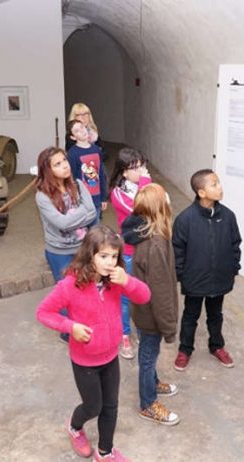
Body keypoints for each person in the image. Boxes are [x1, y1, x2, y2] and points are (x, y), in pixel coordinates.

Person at [36, 225, 151, 462]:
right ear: (90, 254)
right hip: (84, 360)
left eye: (114, 256)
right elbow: (44, 312)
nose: (110, 262)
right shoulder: (70, 284)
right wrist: (71, 327)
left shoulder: (116, 280)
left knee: (111, 406)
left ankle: (105, 452)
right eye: (103, 256)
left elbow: (144, 296)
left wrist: (127, 281)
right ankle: (75, 426)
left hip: (110, 355)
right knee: (93, 406)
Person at [122, 184, 181, 426]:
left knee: (150, 352)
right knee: (148, 355)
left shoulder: (144, 234)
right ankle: (148, 403)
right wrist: (168, 327)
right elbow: (160, 291)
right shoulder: (155, 244)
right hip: (151, 315)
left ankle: (153, 383)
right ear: (161, 209)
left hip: (143, 310)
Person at [171, 169, 241, 371]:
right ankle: (185, 349)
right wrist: (182, 275)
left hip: (220, 279)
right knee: (190, 315)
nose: (220, 187)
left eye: (218, 183)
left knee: (216, 315)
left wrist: (232, 269)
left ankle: (216, 346)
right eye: (214, 184)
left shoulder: (228, 216)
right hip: (195, 279)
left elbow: (235, 244)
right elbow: (177, 250)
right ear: (201, 192)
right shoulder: (185, 219)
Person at [35, 146, 97, 341]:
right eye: (57, 164)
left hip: (82, 247)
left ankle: (84, 325)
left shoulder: (78, 184)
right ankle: (67, 332)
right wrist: (82, 214)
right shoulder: (42, 196)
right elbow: (61, 223)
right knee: (64, 292)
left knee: (86, 287)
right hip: (59, 251)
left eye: (65, 161)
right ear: (48, 169)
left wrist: (75, 217)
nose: (64, 166)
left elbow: (93, 213)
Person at [109, 147, 152, 360]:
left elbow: (159, 205)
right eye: (136, 168)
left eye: (142, 166)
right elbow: (141, 209)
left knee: (143, 292)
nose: (141, 171)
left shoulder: (144, 185)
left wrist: (146, 183)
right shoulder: (118, 193)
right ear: (124, 172)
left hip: (147, 249)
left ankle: (142, 327)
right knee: (125, 298)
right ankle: (124, 334)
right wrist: (146, 183)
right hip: (128, 251)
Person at [66, 119, 108, 223]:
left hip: (97, 198)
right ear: (73, 137)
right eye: (77, 131)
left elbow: (101, 175)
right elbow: (72, 178)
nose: (82, 131)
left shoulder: (96, 150)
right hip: (82, 200)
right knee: (82, 230)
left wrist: (103, 197)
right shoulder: (72, 154)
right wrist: (75, 199)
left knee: (95, 228)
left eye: (82, 127)